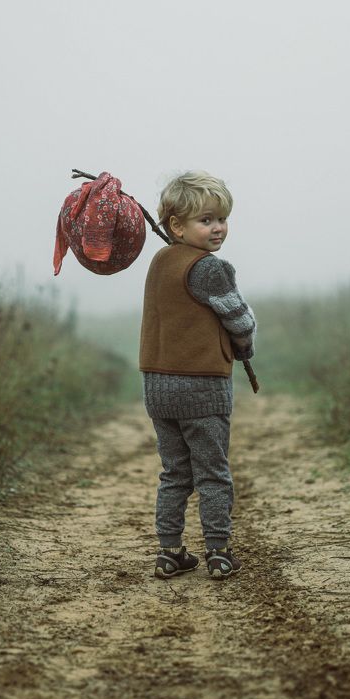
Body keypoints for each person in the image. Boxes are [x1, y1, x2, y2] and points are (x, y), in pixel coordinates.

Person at [139, 171, 256, 580]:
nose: (218, 227)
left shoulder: (160, 262)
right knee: (212, 473)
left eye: (222, 218)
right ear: (176, 226)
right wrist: (244, 346)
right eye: (206, 220)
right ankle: (219, 553)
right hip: (202, 388)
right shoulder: (210, 268)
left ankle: (170, 552)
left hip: (158, 388)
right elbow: (239, 320)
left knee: (174, 473)